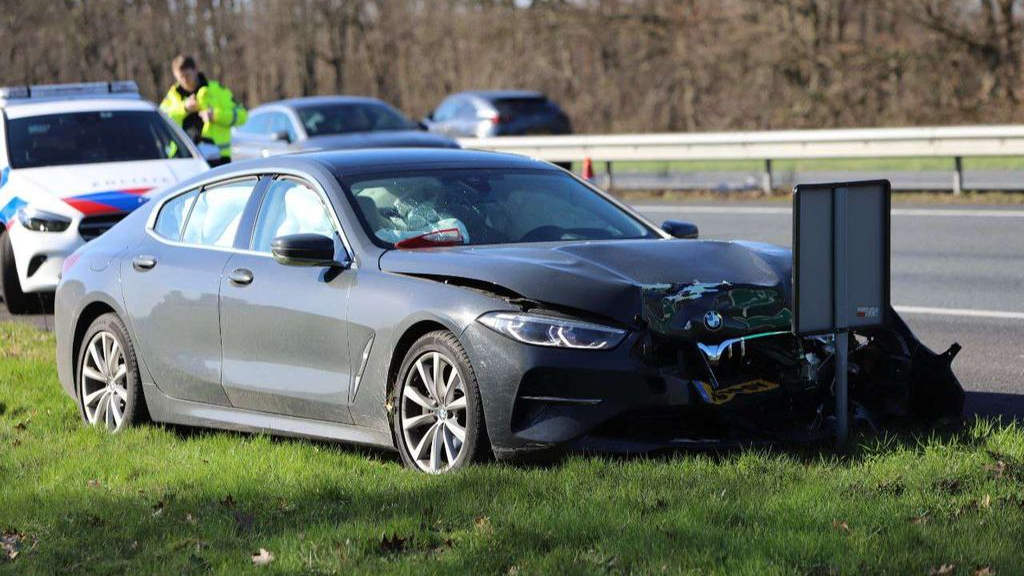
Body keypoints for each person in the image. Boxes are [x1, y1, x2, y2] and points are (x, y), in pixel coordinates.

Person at [160, 54, 246, 167]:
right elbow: (161, 120)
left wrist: (215, 115)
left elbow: (242, 115)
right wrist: (184, 108)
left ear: (195, 70)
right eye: (180, 77)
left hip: (218, 158)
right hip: (184, 158)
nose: (184, 80)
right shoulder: (172, 96)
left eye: (187, 75)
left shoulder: (217, 90)